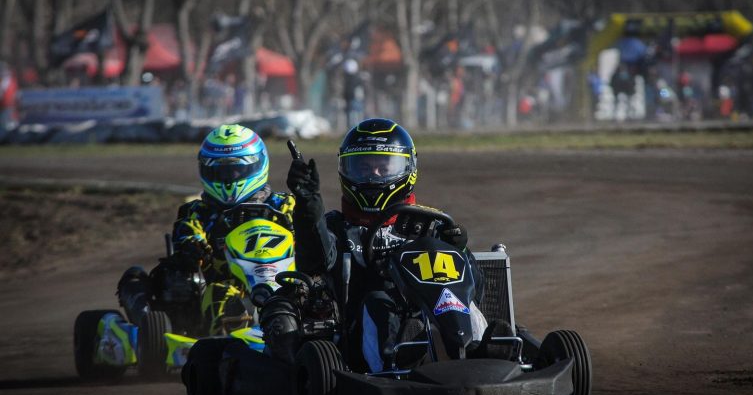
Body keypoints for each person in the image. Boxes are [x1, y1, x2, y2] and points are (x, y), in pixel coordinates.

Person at [266, 117, 505, 371]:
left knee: (460, 301)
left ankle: (484, 351)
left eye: (383, 167)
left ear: (407, 169)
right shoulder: (338, 228)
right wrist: (308, 203)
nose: (373, 175)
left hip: (435, 321)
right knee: (378, 301)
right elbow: (315, 258)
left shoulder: (429, 225)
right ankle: (397, 361)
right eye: (364, 168)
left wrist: (459, 251)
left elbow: (476, 289)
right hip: (358, 341)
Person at [117, 124, 295, 335]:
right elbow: (187, 232)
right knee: (136, 278)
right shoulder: (197, 212)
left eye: (237, 170)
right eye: (220, 172)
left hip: (283, 282)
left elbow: (314, 234)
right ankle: (217, 337)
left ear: (258, 165)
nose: (229, 178)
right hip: (220, 287)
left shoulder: (284, 205)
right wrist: (192, 247)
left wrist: (310, 206)